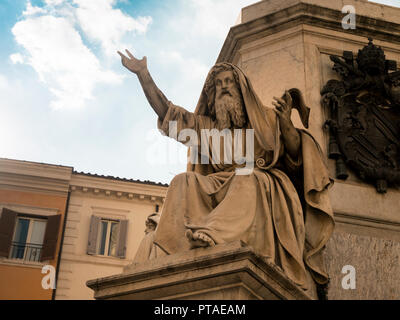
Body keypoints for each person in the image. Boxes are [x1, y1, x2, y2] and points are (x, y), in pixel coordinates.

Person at [118, 50, 334, 295]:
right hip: (219, 185)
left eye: (229, 82)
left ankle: (213, 234)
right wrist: (143, 75)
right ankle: (172, 249)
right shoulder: (206, 127)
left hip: (261, 185)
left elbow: (297, 158)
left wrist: (286, 125)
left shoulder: (266, 119)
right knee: (183, 181)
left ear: (241, 89)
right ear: (211, 94)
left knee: (246, 176)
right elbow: (167, 112)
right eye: (219, 84)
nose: (224, 87)